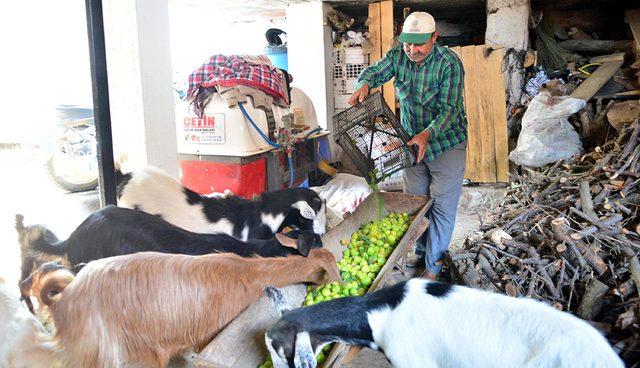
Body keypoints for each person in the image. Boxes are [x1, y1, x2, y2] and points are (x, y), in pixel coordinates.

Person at [349, 11, 467, 279]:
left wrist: (427, 134)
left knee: (441, 207)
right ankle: (420, 253)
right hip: (410, 142)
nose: (412, 50)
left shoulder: (449, 64)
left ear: (434, 38)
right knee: (415, 202)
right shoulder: (398, 56)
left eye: (419, 44)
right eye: (408, 44)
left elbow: (450, 110)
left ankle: (433, 267)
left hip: (446, 141)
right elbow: (375, 71)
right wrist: (365, 84)